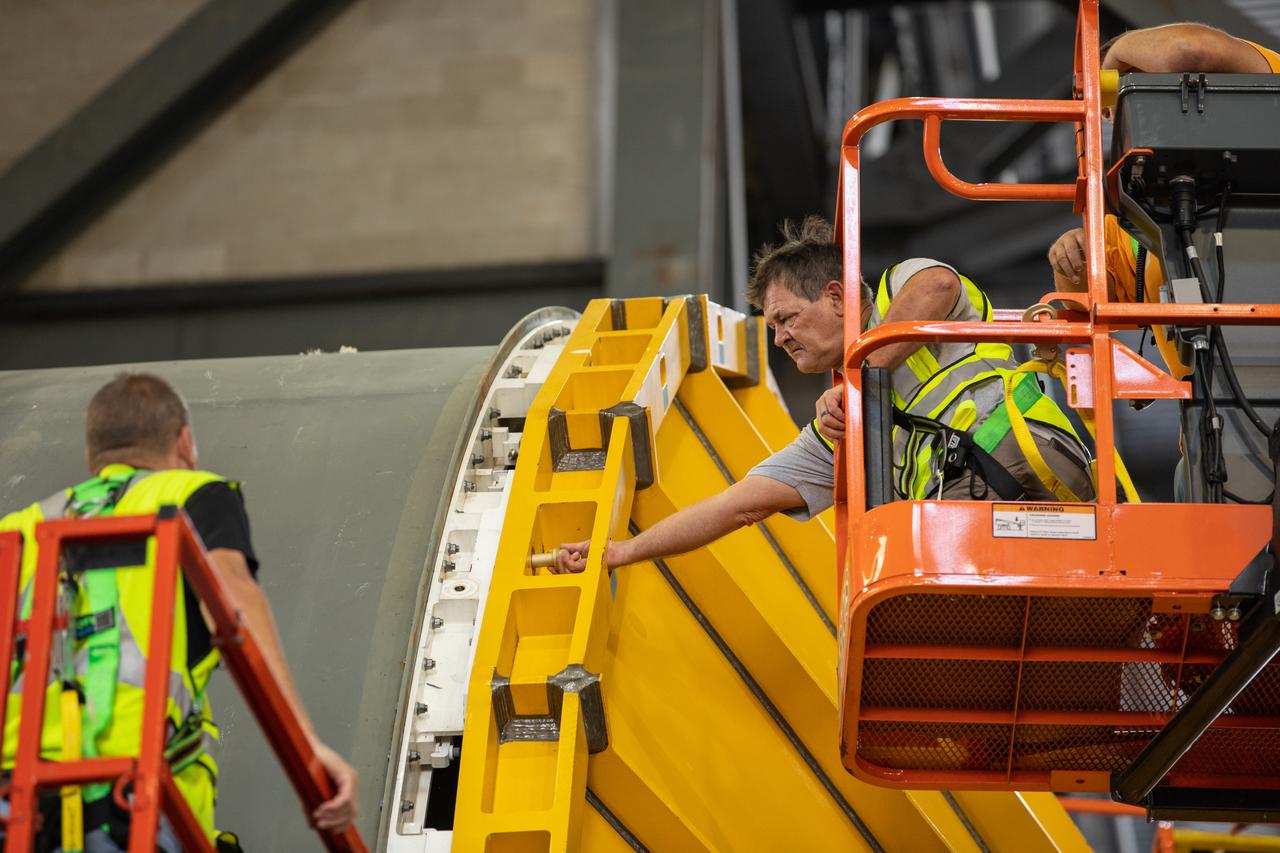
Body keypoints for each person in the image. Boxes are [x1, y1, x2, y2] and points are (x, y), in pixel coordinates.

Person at [556, 217, 1095, 572]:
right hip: (961, 522)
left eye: (787, 318)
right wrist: (620, 552)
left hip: (1027, 463)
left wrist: (862, 380)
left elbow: (938, 287)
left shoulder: (897, 291)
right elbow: (736, 505)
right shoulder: (838, 427)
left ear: (837, 296)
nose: (780, 339)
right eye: (772, 328)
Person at [0, 373, 357, 851]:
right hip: (133, 802)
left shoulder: (22, 526)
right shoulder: (192, 494)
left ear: (93, 456)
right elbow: (234, 597)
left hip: (16, 805)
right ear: (184, 442)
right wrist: (306, 743)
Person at [1048, 25, 1280, 376]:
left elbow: (1190, 49)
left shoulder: (1260, 89)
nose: (1124, 119)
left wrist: (1107, 64)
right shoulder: (1138, 225)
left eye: (1124, 94)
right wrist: (1070, 257)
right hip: (1220, 415)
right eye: (1112, 113)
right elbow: (1086, 310)